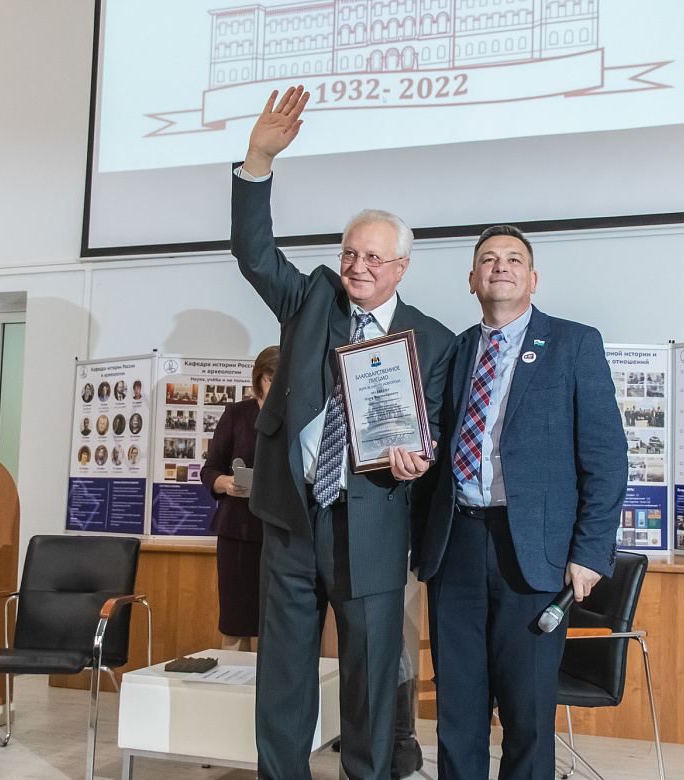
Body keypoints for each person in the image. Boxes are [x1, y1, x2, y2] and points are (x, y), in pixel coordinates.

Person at [231, 86, 454, 780]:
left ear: (401, 267)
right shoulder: (311, 300)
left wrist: (420, 460)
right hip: (293, 520)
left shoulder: (433, 341)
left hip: (374, 527)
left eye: (373, 258)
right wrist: (258, 162)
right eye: (350, 252)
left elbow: (433, 430)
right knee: (283, 678)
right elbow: (254, 252)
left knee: (370, 682)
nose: (358, 266)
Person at [400, 225, 627, 780]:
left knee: (528, 713)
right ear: (472, 280)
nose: (500, 266)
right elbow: (435, 448)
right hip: (455, 546)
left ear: (532, 278)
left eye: (513, 259)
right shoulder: (453, 351)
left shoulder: (573, 343)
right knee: (458, 709)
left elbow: (606, 457)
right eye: (488, 259)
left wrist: (590, 551)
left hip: (533, 553)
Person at [200, 346, 279, 652]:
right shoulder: (236, 414)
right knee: (235, 622)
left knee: (277, 625)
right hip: (238, 534)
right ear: (260, 379)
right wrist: (227, 484)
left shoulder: (295, 414)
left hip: (280, 534)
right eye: (272, 378)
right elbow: (210, 470)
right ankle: (232, 680)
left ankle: (270, 684)